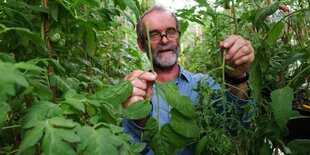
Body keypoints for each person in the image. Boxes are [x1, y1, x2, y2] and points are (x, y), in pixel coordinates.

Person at [122, 5, 255, 155]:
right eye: (153, 35)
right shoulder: (136, 92)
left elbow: (238, 124)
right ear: (141, 44)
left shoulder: (203, 85)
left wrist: (237, 77)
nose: (164, 40)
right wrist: (138, 118)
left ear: (178, 37)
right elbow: (129, 148)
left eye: (171, 32)